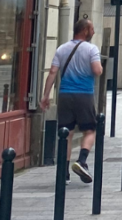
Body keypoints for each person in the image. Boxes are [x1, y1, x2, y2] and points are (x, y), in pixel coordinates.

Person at [40, 19, 104, 183]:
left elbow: (53, 72)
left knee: (66, 134)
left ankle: (64, 172)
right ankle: (82, 161)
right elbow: (97, 70)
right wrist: (99, 68)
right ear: (84, 31)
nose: (94, 32)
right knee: (90, 130)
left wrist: (46, 96)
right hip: (84, 95)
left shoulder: (61, 49)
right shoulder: (91, 49)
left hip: (65, 96)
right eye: (92, 29)